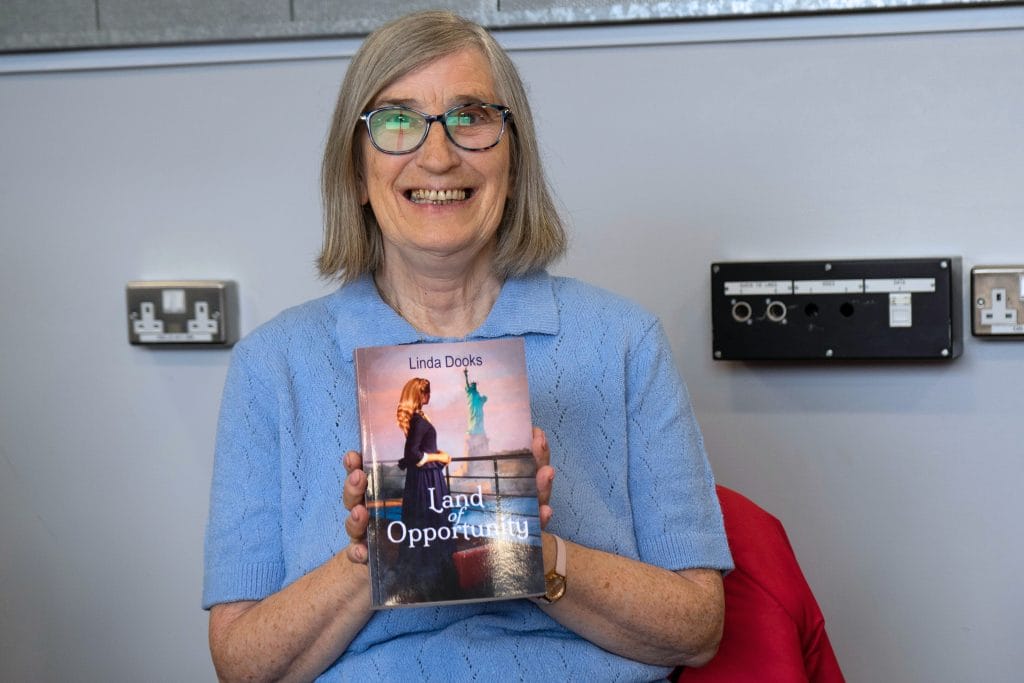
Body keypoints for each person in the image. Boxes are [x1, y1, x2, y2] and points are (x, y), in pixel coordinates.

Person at [203, 9, 733, 682]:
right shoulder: (271, 366)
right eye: (396, 121)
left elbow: (699, 629)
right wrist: (375, 551)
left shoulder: (625, 341)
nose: (437, 155)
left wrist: (533, 550)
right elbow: (243, 665)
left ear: (513, 162)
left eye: (471, 115)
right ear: (358, 173)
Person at [393, 377, 456, 599]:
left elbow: (414, 453)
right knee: (434, 523)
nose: (429, 397)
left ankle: (426, 579)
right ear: (420, 396)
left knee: (424, 525)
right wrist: (441, 456)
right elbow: (413, 454)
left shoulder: (418, 419)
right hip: (427, 480)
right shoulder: (419, 421)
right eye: (427, 393)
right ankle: (437, 579)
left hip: (421, 479)